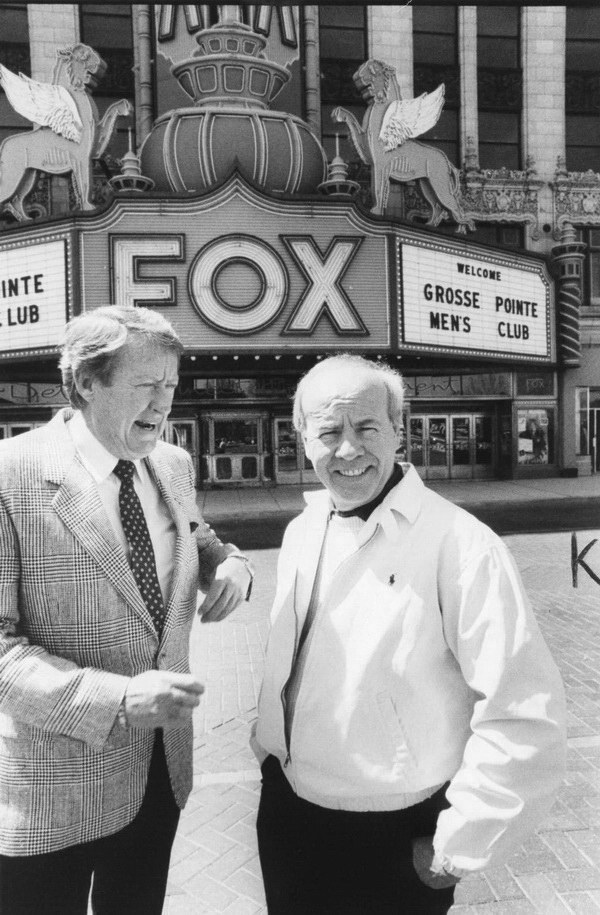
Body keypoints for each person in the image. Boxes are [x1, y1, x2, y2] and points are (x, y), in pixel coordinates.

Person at [253, 354, 566, 915]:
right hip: (290, 811)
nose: (348, 449)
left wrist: (461, 844)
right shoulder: (302, 529)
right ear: (302, 438)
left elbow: (523, 710)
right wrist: (267, 749)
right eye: (328, 431)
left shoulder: (462, 544)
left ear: (400, 429)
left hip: (395, 835)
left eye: (367, 427)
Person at [0, 306, 253, 915]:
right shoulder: (10, 476)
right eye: (145, 385)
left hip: (159, 775)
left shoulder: (172, 463)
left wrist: (229, 562)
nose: (163, 403)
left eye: (170, 385)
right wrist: (116, 700)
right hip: (52, 786)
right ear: (87, 382)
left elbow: (193, 532)